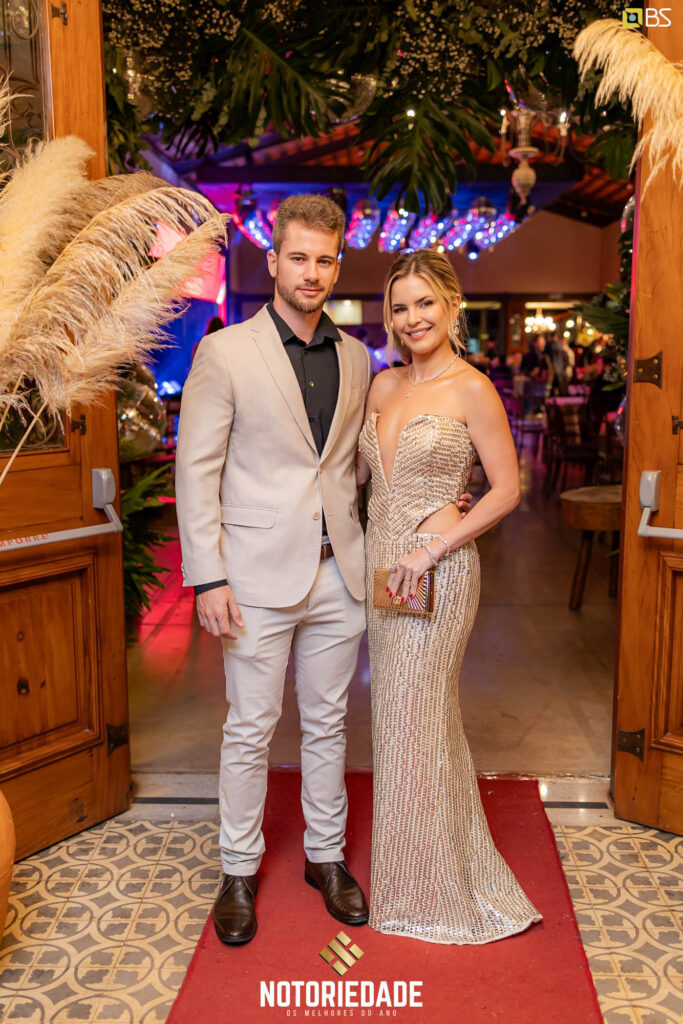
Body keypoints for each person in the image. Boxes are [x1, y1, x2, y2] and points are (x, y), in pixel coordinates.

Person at [175, 194, 475, 946]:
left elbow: (357, 468)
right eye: (299, 258)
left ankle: (326, 856)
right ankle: (238, 869)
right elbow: (196, 472)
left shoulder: (356, 359)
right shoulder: (226, 352)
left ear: (338, 267)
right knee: (249, 728)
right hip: (251, 577)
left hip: (341, 574)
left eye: (325, 260)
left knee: (329, 723)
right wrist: (207, 578)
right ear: (273, 260)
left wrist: (442, 496)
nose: (312, 272)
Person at [355, 250, 541, 944]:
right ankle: (415, 872)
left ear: (452, 305)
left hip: (438, 570)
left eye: (424, 303)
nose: (412, 319)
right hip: (383, 571)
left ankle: (434, 891)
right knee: (400, 722)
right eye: (400, 307)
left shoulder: (472, 389)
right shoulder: (381, 385)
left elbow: (507, 489)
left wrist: (435, 543)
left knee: (420, 715)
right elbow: (360, 479)